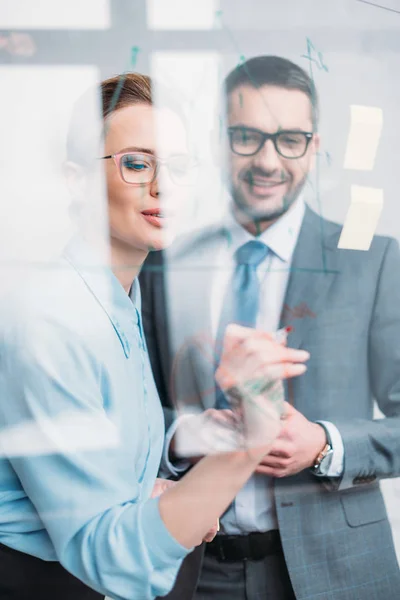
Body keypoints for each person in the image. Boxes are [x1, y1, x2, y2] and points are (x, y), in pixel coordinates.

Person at [0, 71, 308, 600]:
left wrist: (186, 439)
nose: (164, 187)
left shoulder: (119, 295)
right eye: (137, 163)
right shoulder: (49, 321)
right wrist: (245, 448)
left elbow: (98, 433)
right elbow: (108, 557)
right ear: (78, 179)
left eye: (180, 167)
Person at [140, 56, 400, 600]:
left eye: (289, 139)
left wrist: (326, 445)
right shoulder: (165, 264)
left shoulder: (373, 261)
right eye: (247, 137)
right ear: (219, 141)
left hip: (340, 569)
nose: (267, 160)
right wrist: (184, 438)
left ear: (315, 145)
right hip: (192, 568)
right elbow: (135, 408)